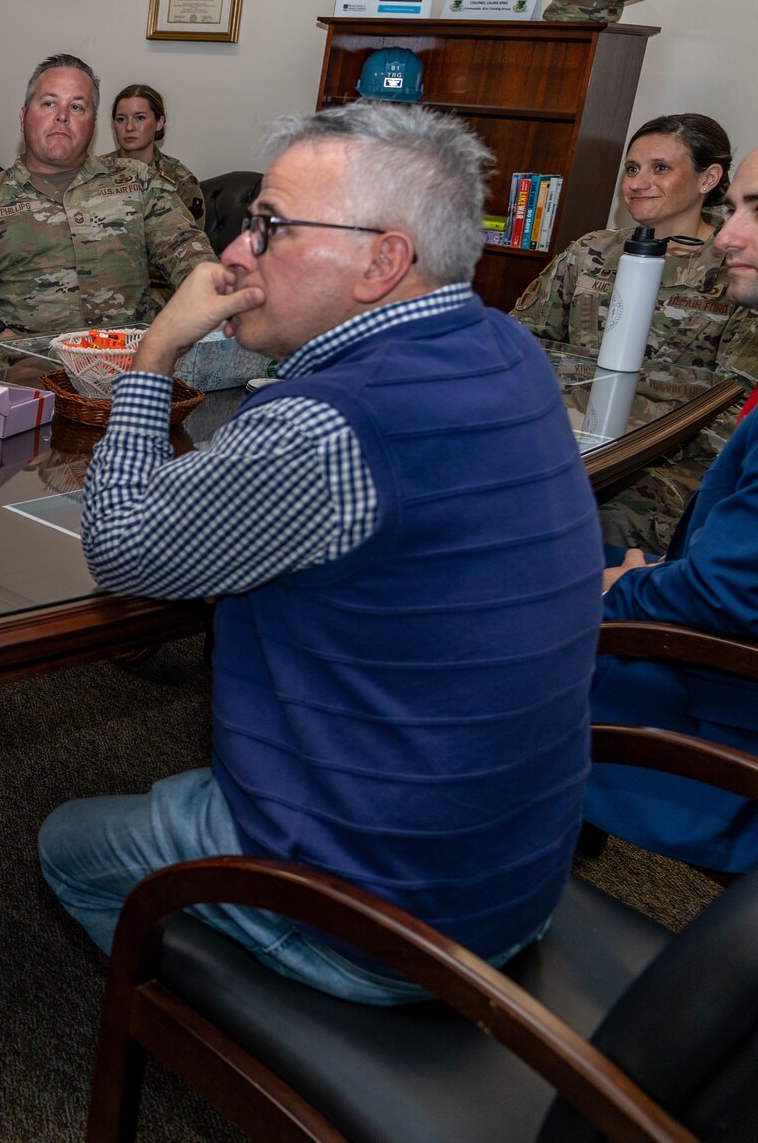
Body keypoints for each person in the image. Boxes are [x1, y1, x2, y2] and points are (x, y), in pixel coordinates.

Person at [41, 101, 604, 1004]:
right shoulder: (506, 344)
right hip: (513, 869)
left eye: (268, 227)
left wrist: (152, 356)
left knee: (64, 841)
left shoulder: (328, 428)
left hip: (386, 914)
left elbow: (121, 546)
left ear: (383, 262)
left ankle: (240, 1037)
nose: (234, 252)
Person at [587, 147, 758, 874]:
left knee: (477, 630)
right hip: (707, 627)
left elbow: (729, 592)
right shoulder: (588, 253)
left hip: (722, 711)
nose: (728, 235)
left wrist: (624, 589)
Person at [512, 114, 756, 552]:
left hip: (672, 462)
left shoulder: (739, 272)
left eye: (661, 168)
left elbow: (737, 411)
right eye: (632, 168)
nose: (639, 182)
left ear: (709, 178)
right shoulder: (591, 253)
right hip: (564, 439)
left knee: (577, 516)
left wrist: (628, 426)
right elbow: (517, 344)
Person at [0, 53, 212, 342]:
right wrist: (4, 345)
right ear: (24, 117)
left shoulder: (136, 182)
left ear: (93, 124)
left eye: (77, 107)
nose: (62, 116)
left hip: (128, 360)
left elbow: (188, 251)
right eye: (49, 103)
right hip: (29, 363)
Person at [104, 83, 206, 225]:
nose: (129, 127)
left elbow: (193, 240)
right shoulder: (95, 171)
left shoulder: (180, 179)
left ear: (159, 122)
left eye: (139, 118)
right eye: (121, 119)